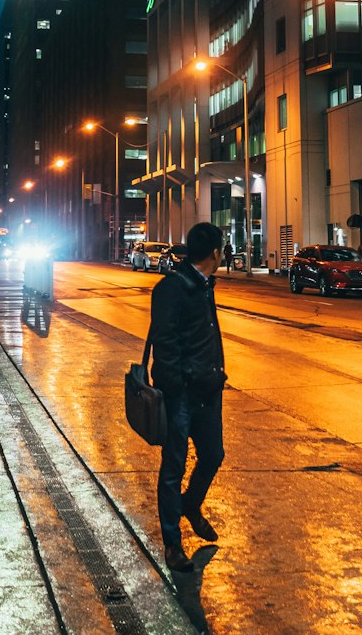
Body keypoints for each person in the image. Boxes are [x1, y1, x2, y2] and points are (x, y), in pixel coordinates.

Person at [150, 221, 227, 573]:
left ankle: (191, 505)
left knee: (212, 455)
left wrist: (217, 374)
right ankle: (172, 544)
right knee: (173, 469)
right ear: (215, 252)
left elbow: (206, 336)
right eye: (222, 249)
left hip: (209, 391)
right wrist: (178, 385)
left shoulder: (205, 285)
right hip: (181, 395)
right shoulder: (172, 288)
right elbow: (165, 347)